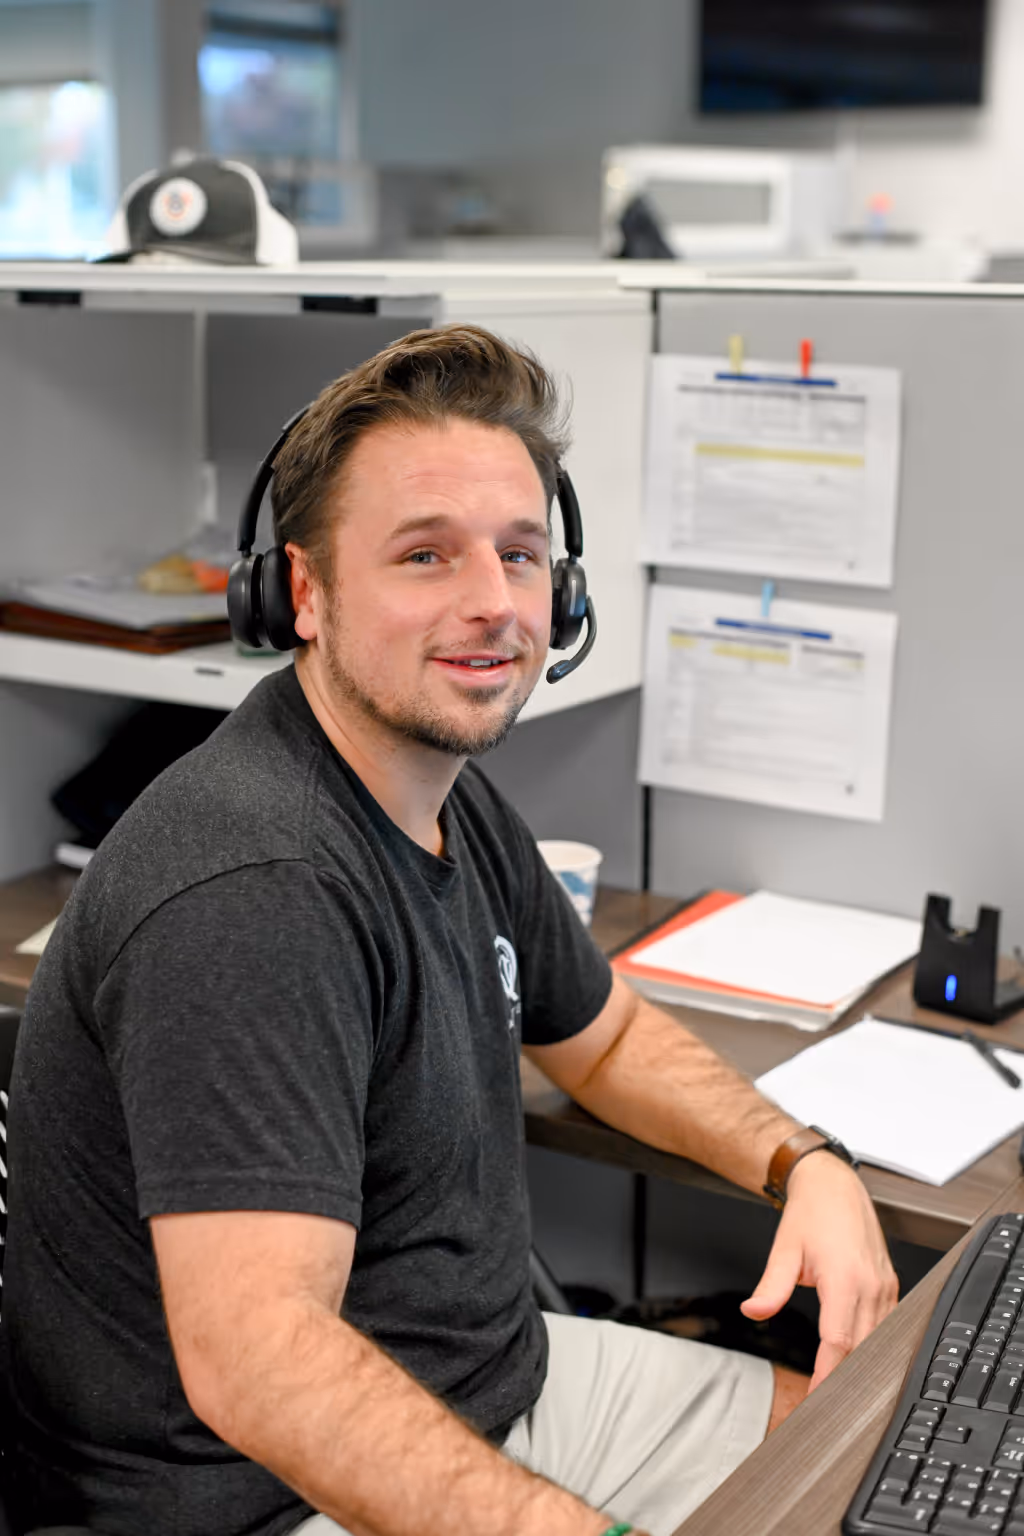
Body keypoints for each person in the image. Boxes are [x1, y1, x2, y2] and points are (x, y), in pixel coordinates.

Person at [4, 325, 898, 1536]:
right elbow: (260, 1367)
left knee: (871, 1463)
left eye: (521, 556)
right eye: (424, 555)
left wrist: (805, 1165)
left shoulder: (440, 792)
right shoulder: (253, 886)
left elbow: (606, 1037)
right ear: (303, 594)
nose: (492, 603)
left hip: (497, 1388)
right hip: (262, 1498)